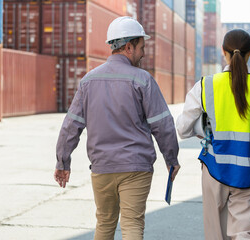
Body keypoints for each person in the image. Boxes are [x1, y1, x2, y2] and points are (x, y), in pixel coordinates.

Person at [54, 16, 180, 240]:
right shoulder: (143, 80)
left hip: (102, 168)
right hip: (135, 168)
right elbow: (163, 125)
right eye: (141, 47)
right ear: (129, 47)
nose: (143, 53)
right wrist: (171, 159)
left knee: (104, 223)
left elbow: (71, 125)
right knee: (132, 224)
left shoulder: (88, 81)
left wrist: (63, 161)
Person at [176, 29, 250, 239]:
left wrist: (202, 127)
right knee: (244, 232)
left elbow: (182, 128)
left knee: (215, 233)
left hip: (215, 169)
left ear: (223, 52)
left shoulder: (206, 85)